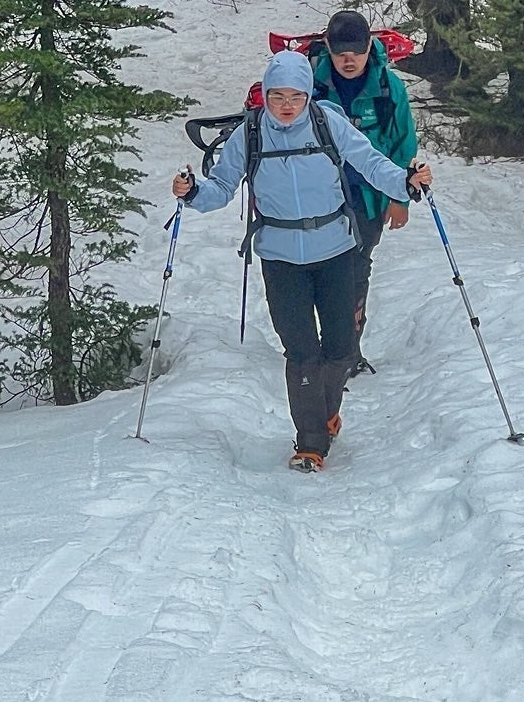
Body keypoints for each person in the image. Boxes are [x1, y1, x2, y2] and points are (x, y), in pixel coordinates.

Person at [172, 49, 431, 472]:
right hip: (280, 255)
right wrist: (193, 192)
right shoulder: (251, 133)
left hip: (335, 250)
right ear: (266, 97)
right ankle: (311, 441)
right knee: (302, 351)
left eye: (296, 96)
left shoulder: (328, 122)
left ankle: (325, 415)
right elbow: (221, 185)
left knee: (342, 347)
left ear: (309, 94)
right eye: (278, 97)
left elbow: (370, 162)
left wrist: (405, 181)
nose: (287, 106)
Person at [308, 9, 418, 376]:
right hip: (318, 197)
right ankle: (323, 348)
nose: (349, 59)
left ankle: (347, 352)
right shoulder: (310, 85)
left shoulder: (389, 87)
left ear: (370, 45)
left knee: (356, 269)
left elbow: (403, 144)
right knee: (323, 271)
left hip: (368, 197)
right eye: (341, 52)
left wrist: (399, 198)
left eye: (356, 50)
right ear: (328, 47)